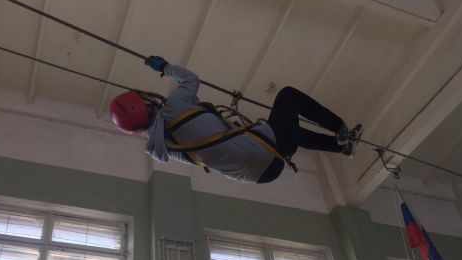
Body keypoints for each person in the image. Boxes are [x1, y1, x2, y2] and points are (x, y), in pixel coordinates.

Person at [109, 56, 362, 184]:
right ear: (143, 103)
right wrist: (164, 67)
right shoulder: (172, 108)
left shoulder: (165, 147)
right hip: (266, 148)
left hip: (264, 173)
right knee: (288, 96)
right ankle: (340, 129)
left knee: (289, 132)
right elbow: (191, 79)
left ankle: (342, 147)